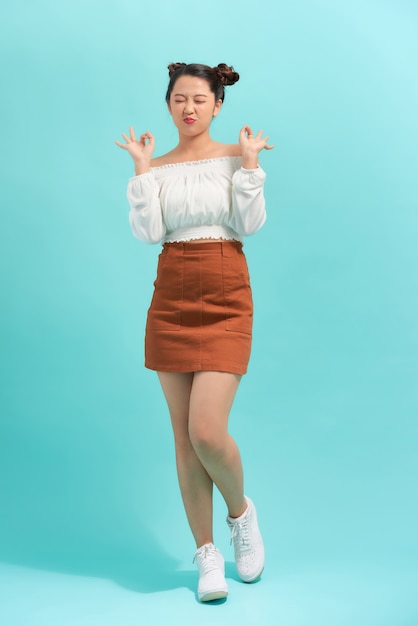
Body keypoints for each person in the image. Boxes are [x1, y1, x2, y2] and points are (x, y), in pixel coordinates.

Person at [116, 62, 273, 602]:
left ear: (217, 105)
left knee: (207, 430)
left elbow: (249, 225)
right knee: (184, 440)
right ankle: (206, 555)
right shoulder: (156, 166)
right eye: (179, 99)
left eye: (200, 100)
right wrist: (141, 171)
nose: (189, 108)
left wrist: (249, 169)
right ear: (168, 105)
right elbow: (150, 234)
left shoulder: (237, 154)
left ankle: (241, 515)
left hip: (227, 293)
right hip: (171, 297)